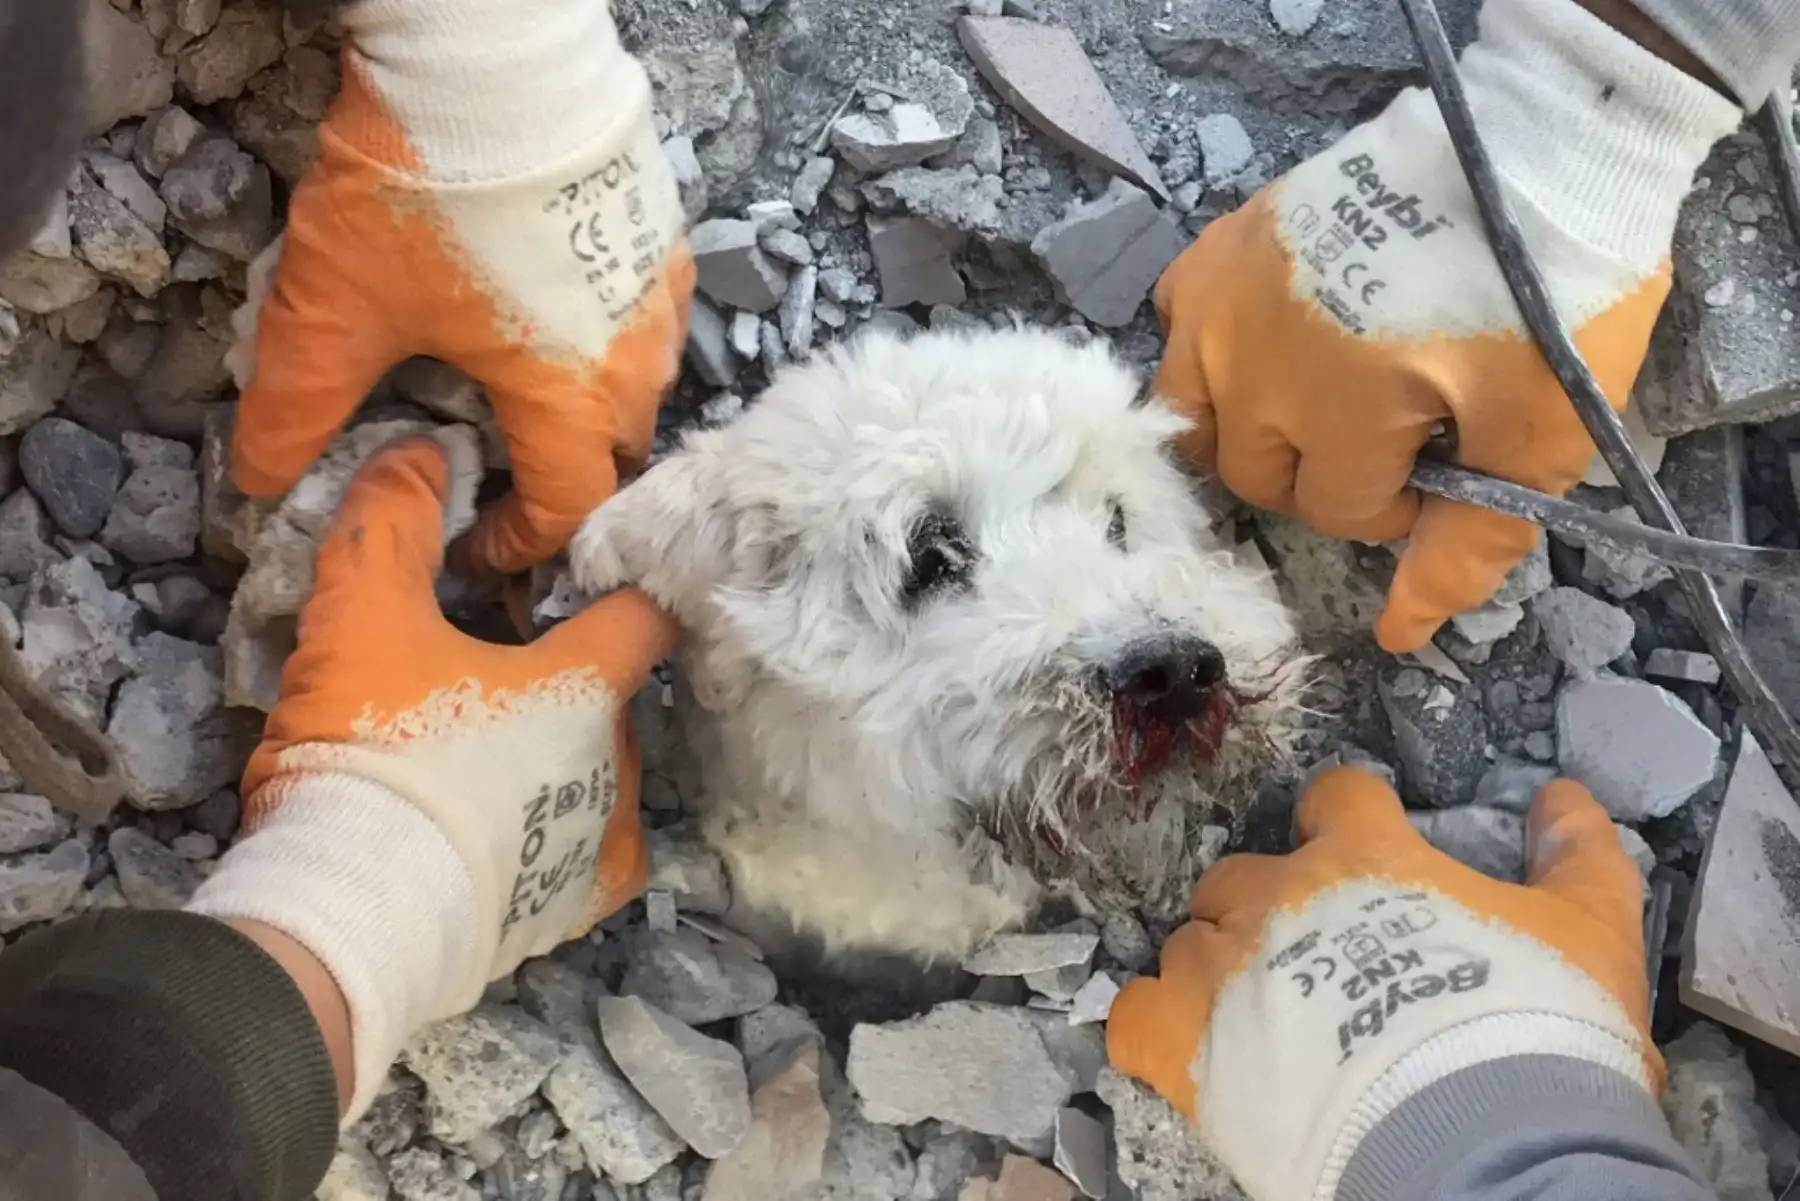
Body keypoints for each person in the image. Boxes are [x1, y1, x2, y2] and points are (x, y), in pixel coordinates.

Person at [0, 0, 1794, 1195]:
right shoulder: (708, 545)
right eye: (932, 561)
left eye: (1115, 517)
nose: (1140, 623)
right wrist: (1510, 1147)